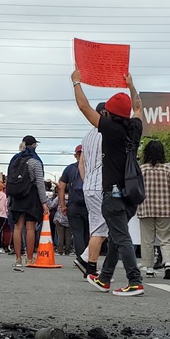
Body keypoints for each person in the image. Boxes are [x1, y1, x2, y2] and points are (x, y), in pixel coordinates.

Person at [70, 69, 145, 296]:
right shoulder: (135, 128)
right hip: (131, 193)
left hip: (112, 193)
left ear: (109, 114)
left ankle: (135, 281)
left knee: (121, 237)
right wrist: (131, 85)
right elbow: (139, 107)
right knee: (114, 236)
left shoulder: (110, 130)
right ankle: (104, 278)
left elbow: (84, 107)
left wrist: (76, 82)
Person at [6, 135, 49, 270]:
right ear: (34, 145)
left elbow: (9, 180)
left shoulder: (14, 160)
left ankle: (18, 258)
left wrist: (9, 198)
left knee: (18, 228)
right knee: (30, 228)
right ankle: (30, 258)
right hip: (31, 197)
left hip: (17, 197)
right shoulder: (35, 161)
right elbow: (40, 183)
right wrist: (44, 202)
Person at [137, 139, 170, 280]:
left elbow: (136, 190)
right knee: (166, 238)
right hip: (165, 209)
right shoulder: (169, 170)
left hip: (145, 208)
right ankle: (167, 263)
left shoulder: (141, 170)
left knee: (147, 239)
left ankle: (149, 268)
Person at [76, 113, 106, 276]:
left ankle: (86, 259)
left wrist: (86, 180)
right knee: (101, 228)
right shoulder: (106, 134)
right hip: (100, 185)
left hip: (89, 185)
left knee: (97, 226)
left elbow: (81, 165)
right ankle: (89, 265)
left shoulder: (87, 137)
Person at [59, 144, 88, 260]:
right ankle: (88, 257)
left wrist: (63, 206)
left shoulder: (69, 169)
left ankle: (80, 258)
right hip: (89, 204)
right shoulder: (93, 168)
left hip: (73, 206)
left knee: (77, 232)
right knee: (88, 232)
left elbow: (61, 188)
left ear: (76, 155)